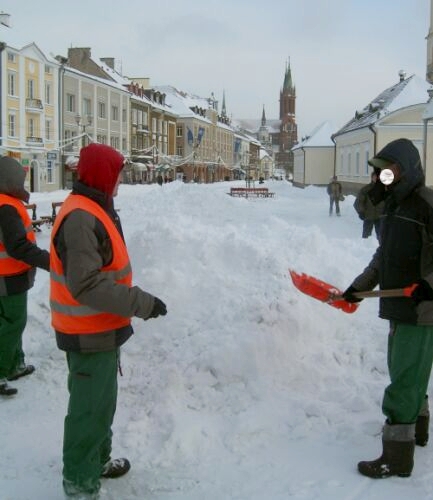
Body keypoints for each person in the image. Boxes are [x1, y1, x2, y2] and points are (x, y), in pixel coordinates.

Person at [50, 143, 167, 499]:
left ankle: (97, 460)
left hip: (101, 328)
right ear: (102, 175)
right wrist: (139, 303)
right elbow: (86, 283)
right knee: (87, 410)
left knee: (101, 403)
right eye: (116, 173)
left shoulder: (95, 208)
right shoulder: (83, 217)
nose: (120, 180)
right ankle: (80, 481)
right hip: (87, 331)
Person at [342, 138, 433, 479]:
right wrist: (359, 287)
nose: (383, 177)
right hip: (399, 304)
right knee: (409, 372)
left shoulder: (426, 204)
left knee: (405, 379)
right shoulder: (393, 207)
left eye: (389, 170)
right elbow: (384, 257)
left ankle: (397, 458)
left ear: (405, 169)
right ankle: (417, 432)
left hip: (421, 307)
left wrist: (429, 285)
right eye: (378, 172)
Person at [0, 156, 49, 397]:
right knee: (12, 324)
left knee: (9, 322)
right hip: (7, 277)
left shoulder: (5, 203)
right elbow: (18, 246)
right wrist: (50, 261)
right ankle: (2, 371)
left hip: (7, 277)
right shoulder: (7, 207)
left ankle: (14, 365)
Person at [353, 170, 385, 240]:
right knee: (366, 236)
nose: (377, 178)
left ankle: (381, 248)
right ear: (372, 177)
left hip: (380, 217)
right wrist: (361, 212)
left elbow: (388, 202)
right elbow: (358, 202)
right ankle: (364, 247)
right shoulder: (365, 189)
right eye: (375, 176)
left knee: (381, 236)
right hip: (368, 216)